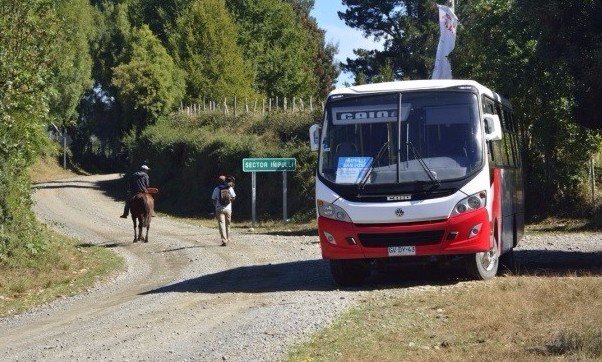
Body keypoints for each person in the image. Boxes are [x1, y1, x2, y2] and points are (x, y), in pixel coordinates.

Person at [211, 175, 236, 246]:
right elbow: (234, 197)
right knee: (228, 224)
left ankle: (224, 240)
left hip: (219, 208)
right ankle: (228, 238)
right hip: (228, 209)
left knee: (222, 224)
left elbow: (213, 199)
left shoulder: (217, 189)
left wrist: (216, 206)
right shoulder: (230, 188)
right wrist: (230, 202)